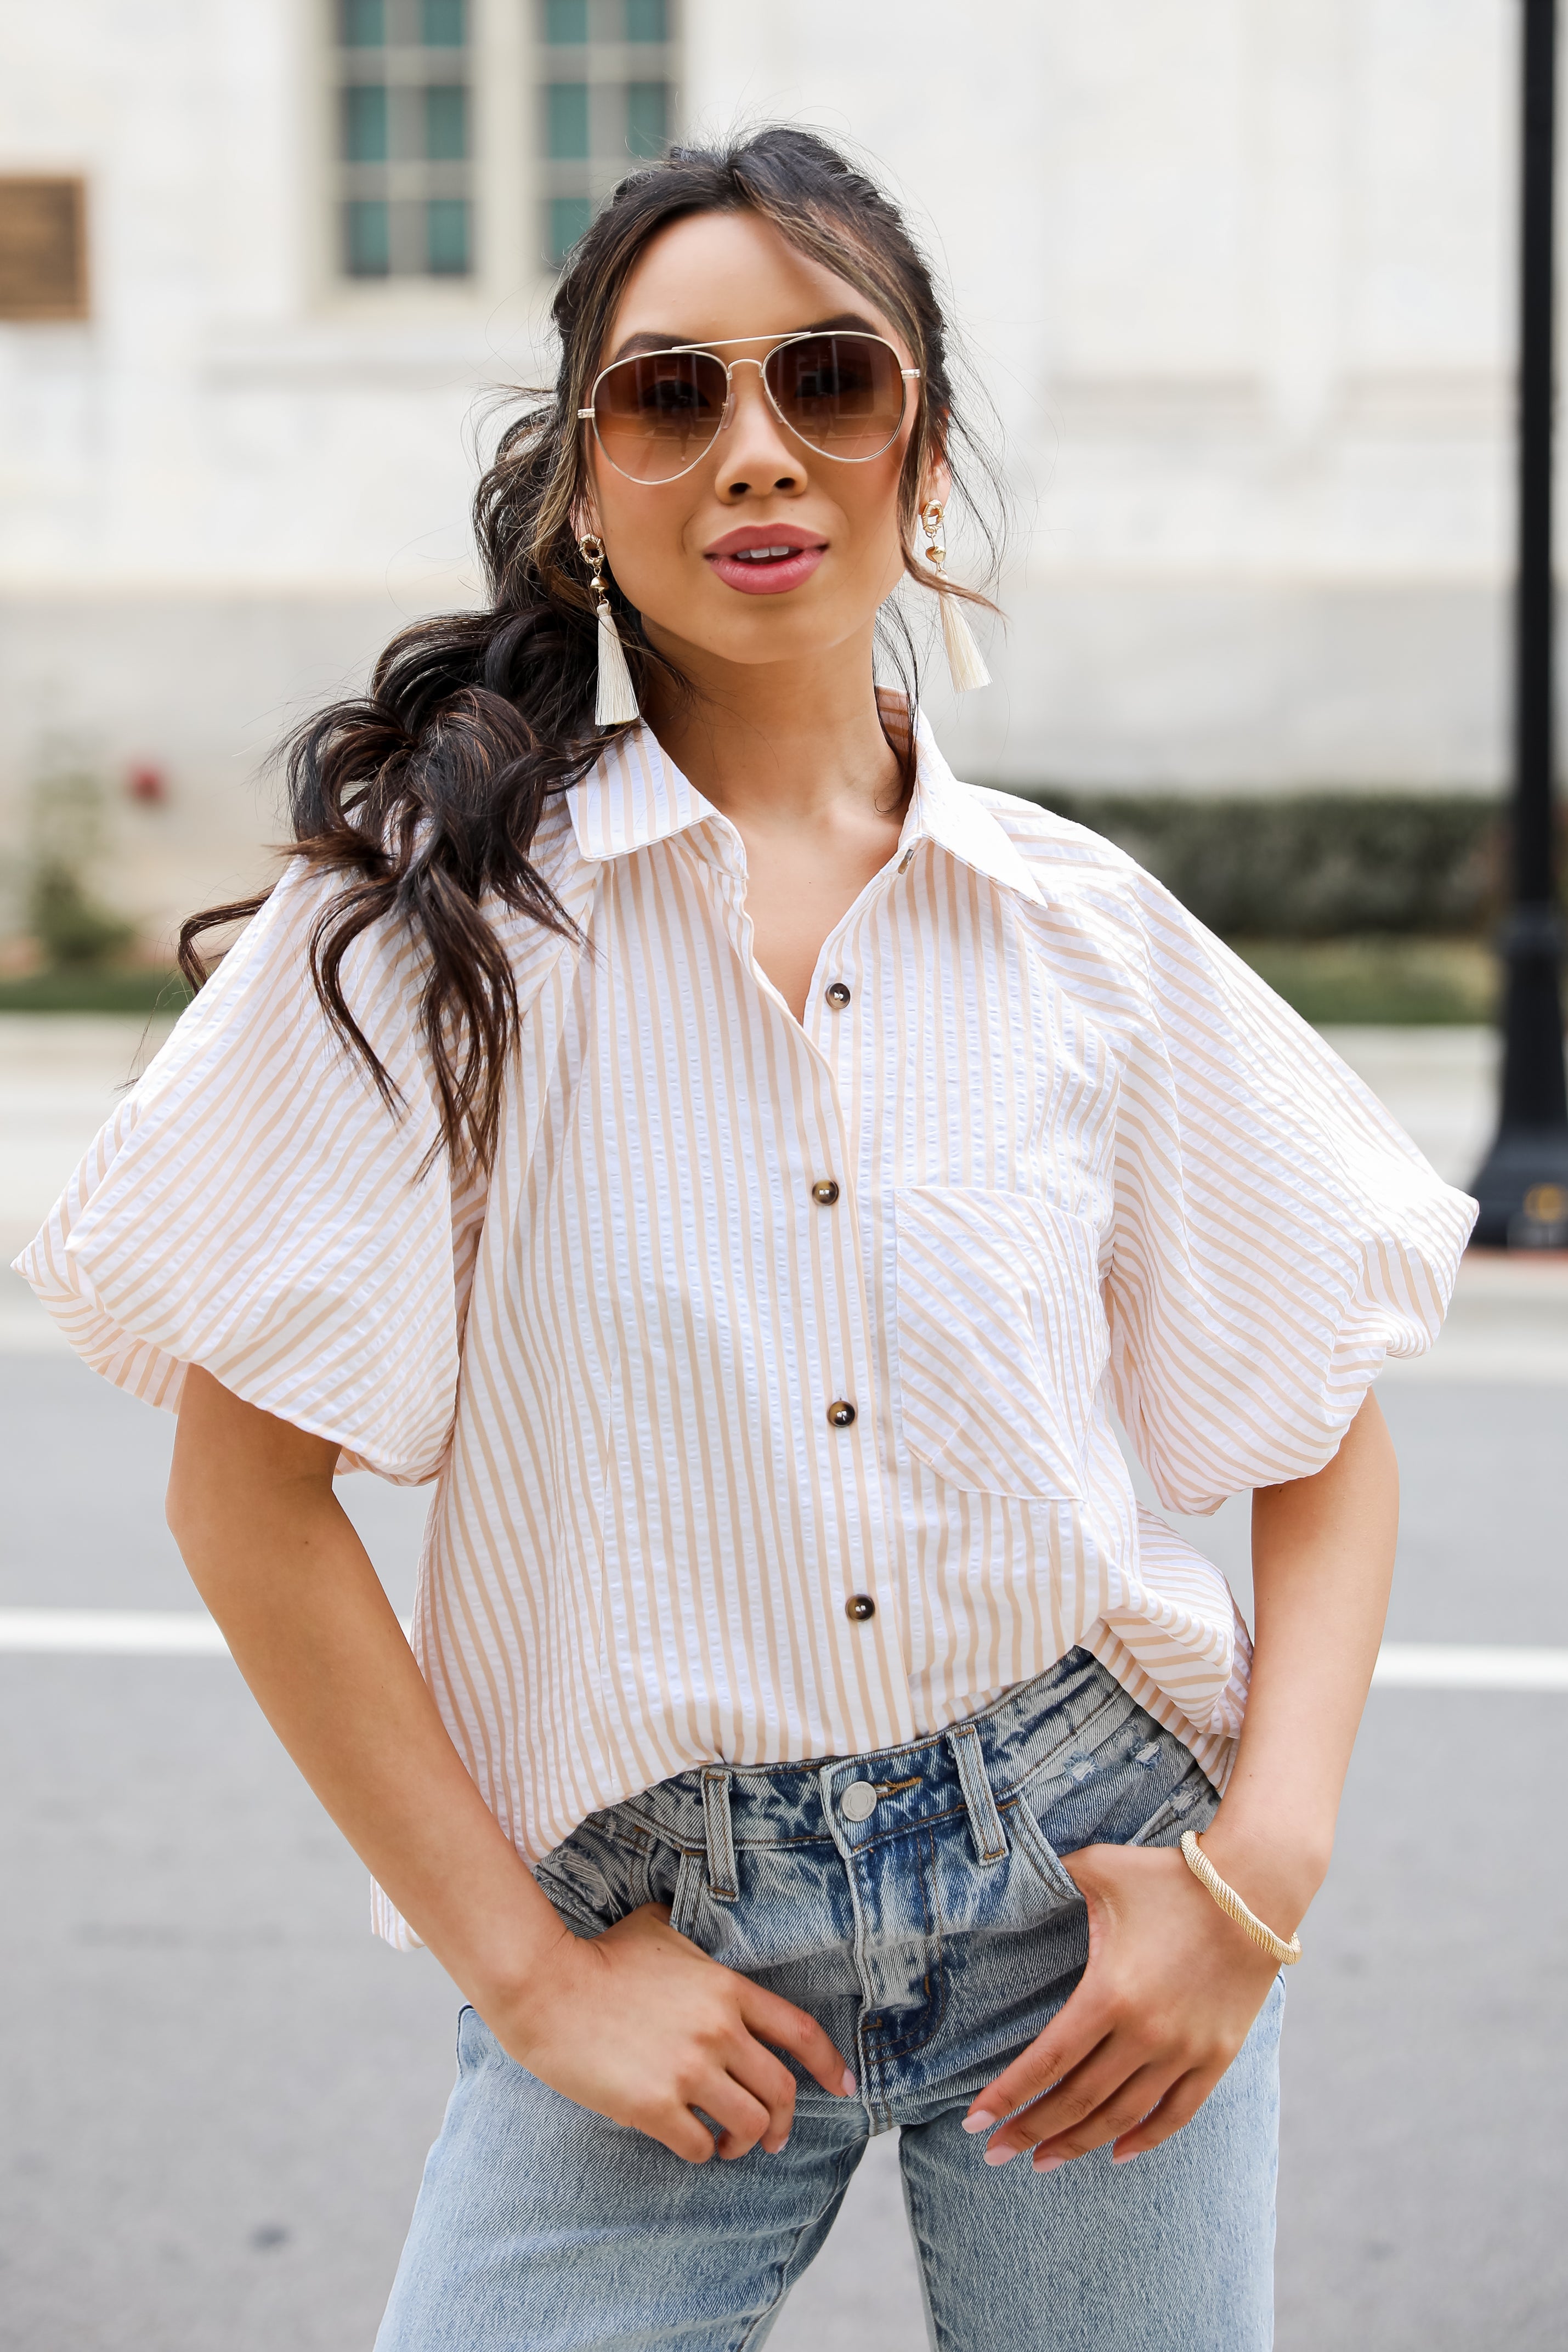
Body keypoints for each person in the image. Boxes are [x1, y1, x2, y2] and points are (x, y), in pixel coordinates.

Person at [18, 127, 1476, 2350]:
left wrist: (1254, 1877)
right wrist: (523, 1970)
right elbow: (244, 1489)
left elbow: (1320, 1432)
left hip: (1088, 1903)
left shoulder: (1083, 936)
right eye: (669, 395)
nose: (756, 449)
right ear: (579, 488)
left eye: (827, 377)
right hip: (651, 1943)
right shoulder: (434, 931)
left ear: (922, 450)